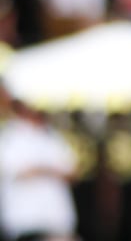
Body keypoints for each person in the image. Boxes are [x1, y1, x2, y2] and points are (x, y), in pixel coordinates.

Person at [0, 92, 78, 241]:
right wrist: (50, 170)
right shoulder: (9, 137)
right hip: (26, 221)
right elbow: (19, 172)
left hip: (57, 219)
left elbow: (72, 173)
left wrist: (43, 170)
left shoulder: (52, 136)